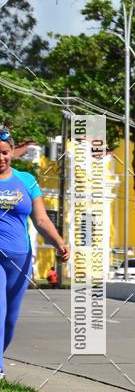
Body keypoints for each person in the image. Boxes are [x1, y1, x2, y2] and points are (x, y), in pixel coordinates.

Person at [0, 127, 70, 377]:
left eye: (5, 152)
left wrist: (58, 242)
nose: (1, 158)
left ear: (12, 152)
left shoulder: (27, 181)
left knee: (10, 319)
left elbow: (41, 220)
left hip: (20, 260)